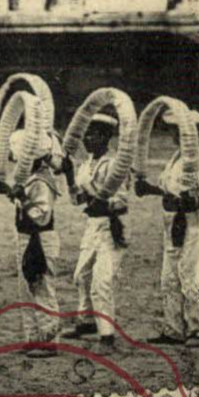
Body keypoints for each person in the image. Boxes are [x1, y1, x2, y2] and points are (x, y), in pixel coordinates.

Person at [135, 111, 199, 348]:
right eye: (174, 130)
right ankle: (173, 327)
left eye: (181, 131)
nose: (176, 135)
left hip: (193, 221)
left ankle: (197, 326)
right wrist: (148, 188)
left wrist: (193, 201)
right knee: (169, 275)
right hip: (172, 221)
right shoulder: (175, 159)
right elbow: (167, 189)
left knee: (189, 272)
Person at [0, 129, 64, 357]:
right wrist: (9, 191)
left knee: (41, 286)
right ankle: (33, 337)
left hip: (40, 238)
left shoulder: (42, 181)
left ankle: (50, 340)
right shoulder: (31, 178)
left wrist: (21, 197)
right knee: (27, 288)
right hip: (27, 237)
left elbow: (40, 215)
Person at [63, 113, 130, 346]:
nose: (86, 139)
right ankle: (86, 321)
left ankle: (107, 333)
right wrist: (69, 176)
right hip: (92, 226)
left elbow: (121, 200)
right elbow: (78, 199)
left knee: (102, 281)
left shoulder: (115, 165)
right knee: (81, 275)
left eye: (92, 134)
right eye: (85, 134)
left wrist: (102, 201)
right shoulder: (86, 164)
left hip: (112, 225)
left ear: (104, 137)